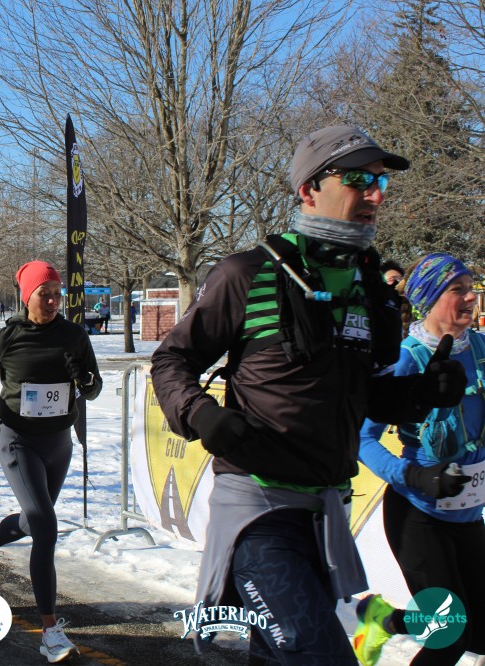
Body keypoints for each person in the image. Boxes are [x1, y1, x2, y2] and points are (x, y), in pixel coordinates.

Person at [150, 125, 467, 663]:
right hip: (258, 510)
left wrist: (421, 392)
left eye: (380, 182)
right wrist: (203, 415)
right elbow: (172, 360)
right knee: (320, 655)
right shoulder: (249, 273)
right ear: (308, 189)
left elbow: (366, 395)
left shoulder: (370, 287)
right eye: (359, 179)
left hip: (325, 512)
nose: (375, 195)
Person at [354, 253, 485, 666]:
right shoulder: (406, 357)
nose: (471, 298)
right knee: (449, 636)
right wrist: (414, 475)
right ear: (429, 298)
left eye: (471, 288)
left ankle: (384, 619)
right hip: (418, 513)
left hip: (468, 513)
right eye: (458, 290)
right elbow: (362, 438)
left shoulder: (481, 349)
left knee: (479, 631)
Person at [0, 260, 102, 663]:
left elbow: (94, 388)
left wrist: (86, 380)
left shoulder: (74, 335)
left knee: (36, 519)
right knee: (46, 526)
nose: (52, 301)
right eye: (43, 294)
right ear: (26, 296)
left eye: (56, 293)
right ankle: (50, 631)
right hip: (19, 441)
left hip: (58, 442)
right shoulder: (9, 336)